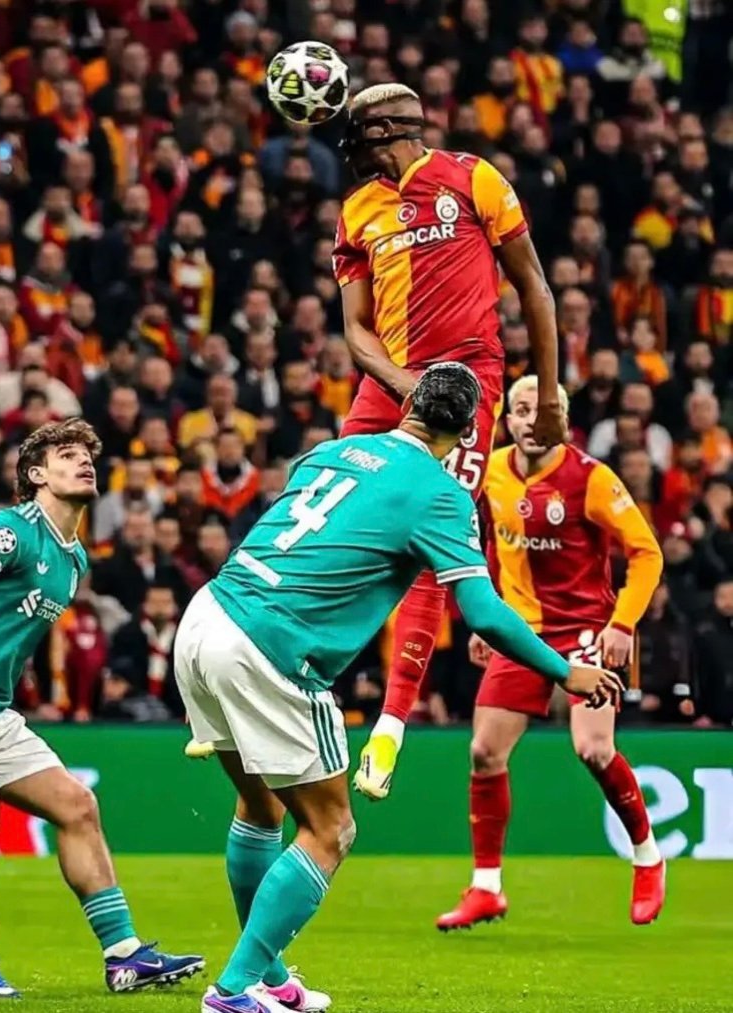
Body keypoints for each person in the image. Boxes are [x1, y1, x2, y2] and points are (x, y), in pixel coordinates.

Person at [175, 364, 620, 1013]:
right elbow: (487, 611)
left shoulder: (329, 452)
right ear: (469, 432)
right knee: (330, 828)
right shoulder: (441, 494)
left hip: (208, 614)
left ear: (409, 403)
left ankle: (266, 973)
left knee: (260, 807)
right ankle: (235, 988)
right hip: (272, 648)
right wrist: (565, 670)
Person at [0, 419, 202, 998]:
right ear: (37, 475)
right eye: (67, 456)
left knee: (77, 806)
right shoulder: (13, 530)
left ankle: (124, 956)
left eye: (88, 456)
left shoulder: (74, 560)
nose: (84, 463)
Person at [332, 82, 566, 799]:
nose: (352, 150)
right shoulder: (357, 209)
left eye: (363, 135)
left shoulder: (474, 178)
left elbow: (535, 288)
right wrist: (407, 387)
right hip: (391, 382)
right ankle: (272, 672)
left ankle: (390, 726)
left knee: (439, 536)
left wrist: (548, 393)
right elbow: (355, 330)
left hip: (471, 382)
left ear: (394, 129)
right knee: (328, 505)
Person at [435, 375, 665, 935]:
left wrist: (622, 623)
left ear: (561, 421)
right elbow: (488, 546)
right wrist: (483, 618)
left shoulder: (590, 478)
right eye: (519, 410)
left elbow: (646, 552)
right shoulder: (489, 473)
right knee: (484, 752)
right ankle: (486, 888)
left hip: (586, 629)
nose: (531, 421)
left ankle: (647, 856)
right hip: (519, 632)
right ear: (507, 420)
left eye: (544, 412)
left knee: (592, 748)